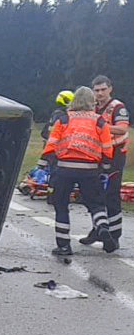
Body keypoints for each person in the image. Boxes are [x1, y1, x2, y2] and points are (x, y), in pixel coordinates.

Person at [41, 86, 116, 255]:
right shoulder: (99, 121)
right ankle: (103, 228)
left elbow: (51, 144)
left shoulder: (64, 118)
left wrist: (52, 163)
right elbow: (107, 149)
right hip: (89, 169)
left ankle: (63, 245)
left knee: (61, 205)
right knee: (96, 204)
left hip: (65, 168)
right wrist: (104, 167)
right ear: (92, 102)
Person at [80, 75, 130, 245]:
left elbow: (122, 129)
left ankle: (114, 236)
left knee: (111, 195)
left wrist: (102, 127)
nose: (100, 93)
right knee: (95, 194)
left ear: (110, 89)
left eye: (103, 89)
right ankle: (98, 229)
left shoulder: (117, 107)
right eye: (97, 90)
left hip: (115, 155)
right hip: (97, 155)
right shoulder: (93, 107)